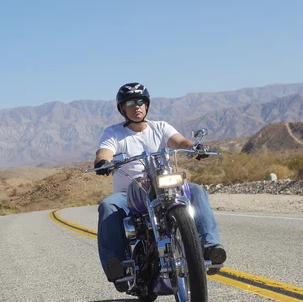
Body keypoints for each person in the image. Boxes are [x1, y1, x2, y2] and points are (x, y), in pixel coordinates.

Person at [94, 82, 226, 291]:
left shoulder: (161, 127)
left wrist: (195, 147)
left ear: (146, 105)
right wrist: (103, 162)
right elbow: (105, 151)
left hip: (163, 184)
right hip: (130, 192)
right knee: (108, 206)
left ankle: (210, 247)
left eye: (140, 102)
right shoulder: (113, 133)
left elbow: (180, 141)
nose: (136, 106)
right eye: (130, 102)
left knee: (197, 191)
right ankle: (117, 265)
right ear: (122, 108)